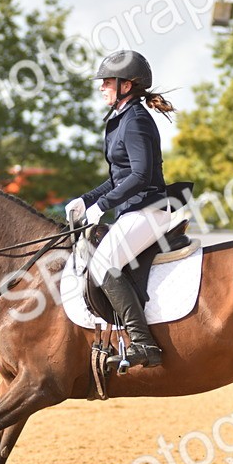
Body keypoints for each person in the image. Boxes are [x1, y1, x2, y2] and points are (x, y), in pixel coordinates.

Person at [65, 50, 177, 369]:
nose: (101, 87)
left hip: (149, 210)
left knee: (102, 265)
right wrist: (87, 200)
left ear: (126, 86)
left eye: (107, 82)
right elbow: (119, 177)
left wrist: (103, 205)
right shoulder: (121, 120)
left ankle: (143, 343)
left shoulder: (136, 120)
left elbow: (141, 175)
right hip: (132, 211)